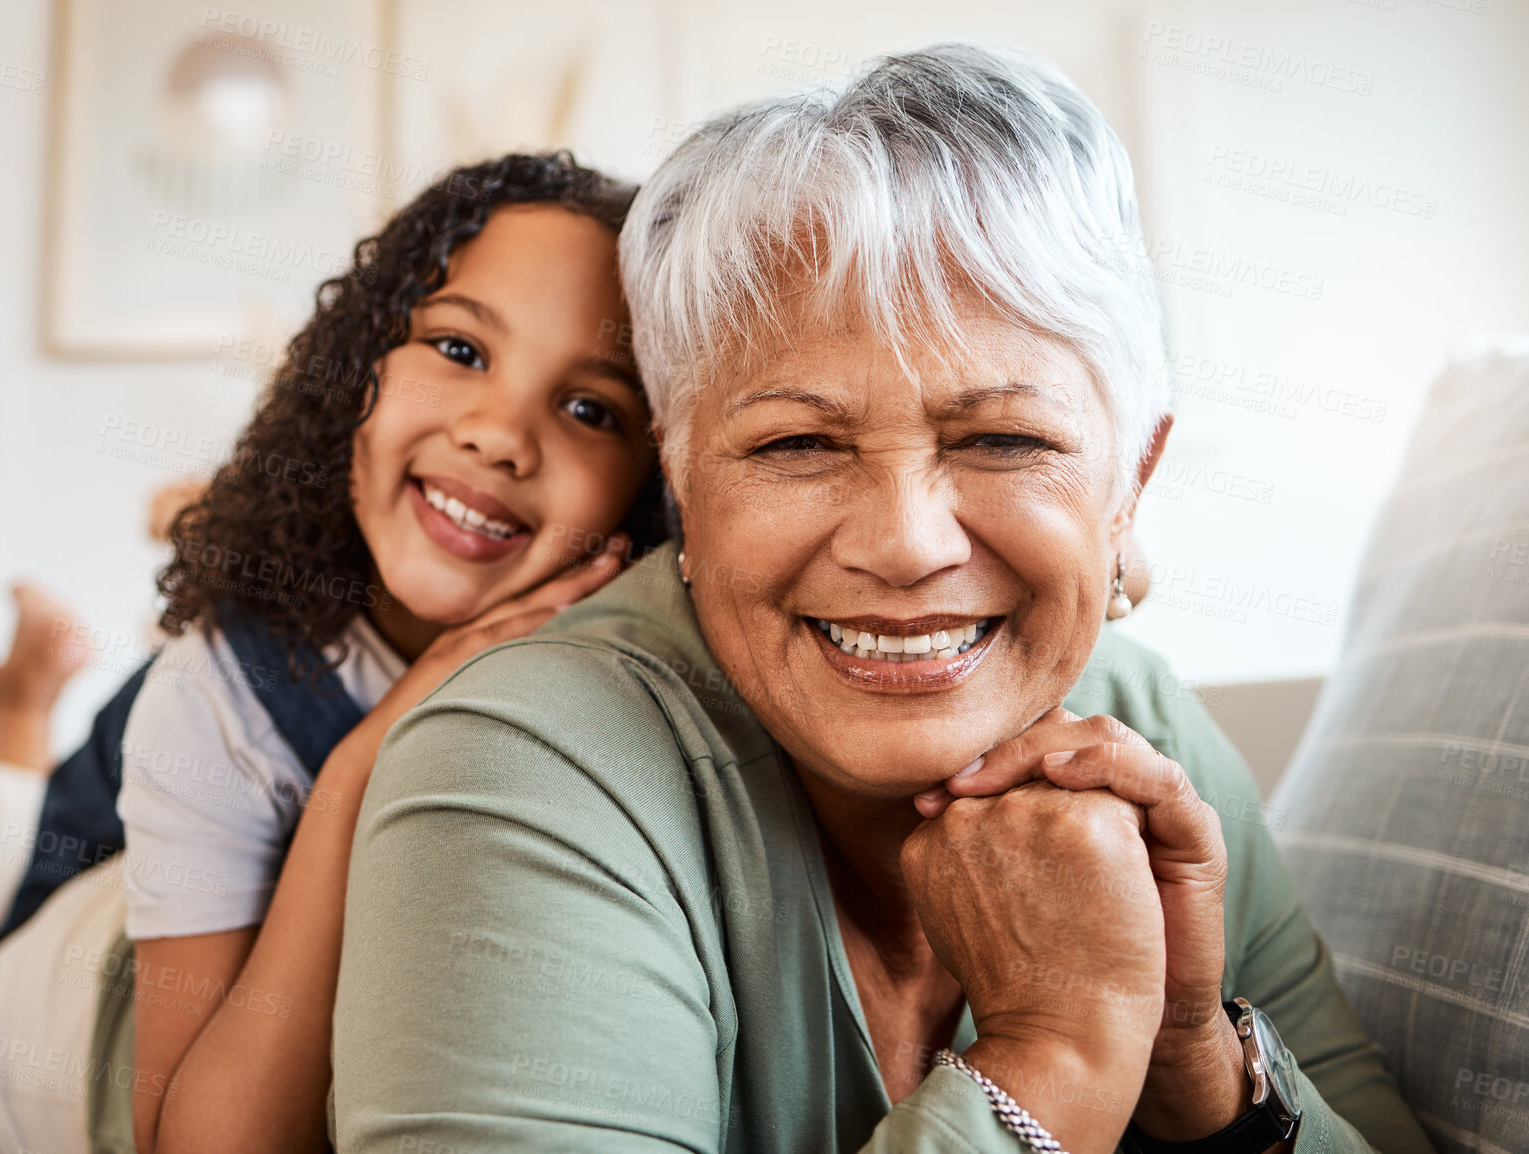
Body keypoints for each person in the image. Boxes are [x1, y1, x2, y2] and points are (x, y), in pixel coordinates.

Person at [330, 45, 1433, 1153]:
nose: (906, 543)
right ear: (683, 480)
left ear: (1128, 484)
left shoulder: (1142, 721)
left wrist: (1192, 1059)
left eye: (1003, 437)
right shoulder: (522, 757)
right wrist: (1056, 1051)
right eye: (797, 441)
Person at [0, 152, 666, 1154]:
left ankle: (0, 718)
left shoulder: (632, 691)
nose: (501, 435)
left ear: (653, 480)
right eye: (459, 348)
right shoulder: (218, 691)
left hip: (112, 918)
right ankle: (12, 715)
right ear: (356, 369)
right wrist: (365, 761)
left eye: (592, 408)